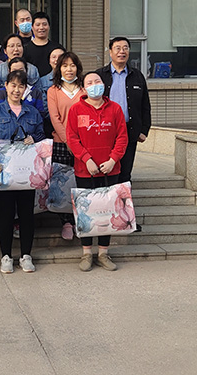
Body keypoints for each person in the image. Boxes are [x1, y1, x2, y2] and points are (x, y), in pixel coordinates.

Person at [0, 69, 45, 274]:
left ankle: (26, 255)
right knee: (6, 216)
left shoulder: (32, 112)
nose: (16, 90)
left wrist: (34, 138)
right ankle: (6, 256)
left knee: (27, 215)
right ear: (6, 87)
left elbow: (41, 134)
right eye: (13, 85)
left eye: (21, 86)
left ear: (25, 89)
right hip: (5, 172)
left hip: (27, 173)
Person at [65, 71, 129, 272]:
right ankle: (86, 253)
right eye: (90, 82)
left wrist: (113, 160)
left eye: (97, 81)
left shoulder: (115, 108)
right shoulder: (76, 110)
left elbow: (122, 137)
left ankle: (103, 253)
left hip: (111, 169)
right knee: (86, 212)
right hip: (85, 170)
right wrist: (86, 159)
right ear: (84, 88)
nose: (95, 85)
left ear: (104, 84)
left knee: (107, 211)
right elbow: (72, 138)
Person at [96, 37, 151, 184]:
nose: (122, 51)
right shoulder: (100, 75)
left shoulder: (137, 76)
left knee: (125, 172)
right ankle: (107, 198)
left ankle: (124, 198)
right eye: (118, 48)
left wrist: (144, 130)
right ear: (110, 52)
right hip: (104, 130)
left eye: (125, 48)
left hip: (129, 130)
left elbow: (145, 105)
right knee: (105, 170)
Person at [47, 51, 85, 240]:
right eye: (64, 65)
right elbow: (55, 118)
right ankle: (66, 222)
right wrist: (69, 141)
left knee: (81, 182)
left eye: (72, 65)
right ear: (59, 68)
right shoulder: (53, 91)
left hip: (84, 144)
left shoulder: (85, 90)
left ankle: (81, 220)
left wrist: (78, 142)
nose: (69, 69)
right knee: (63, 184)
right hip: (61, 144)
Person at [22, 12, 63, 77]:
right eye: (37, 25)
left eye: (44, 24)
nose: (41, 27)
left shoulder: (57, 48)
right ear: (32, 27)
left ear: (49, 26)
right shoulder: (25, 49)